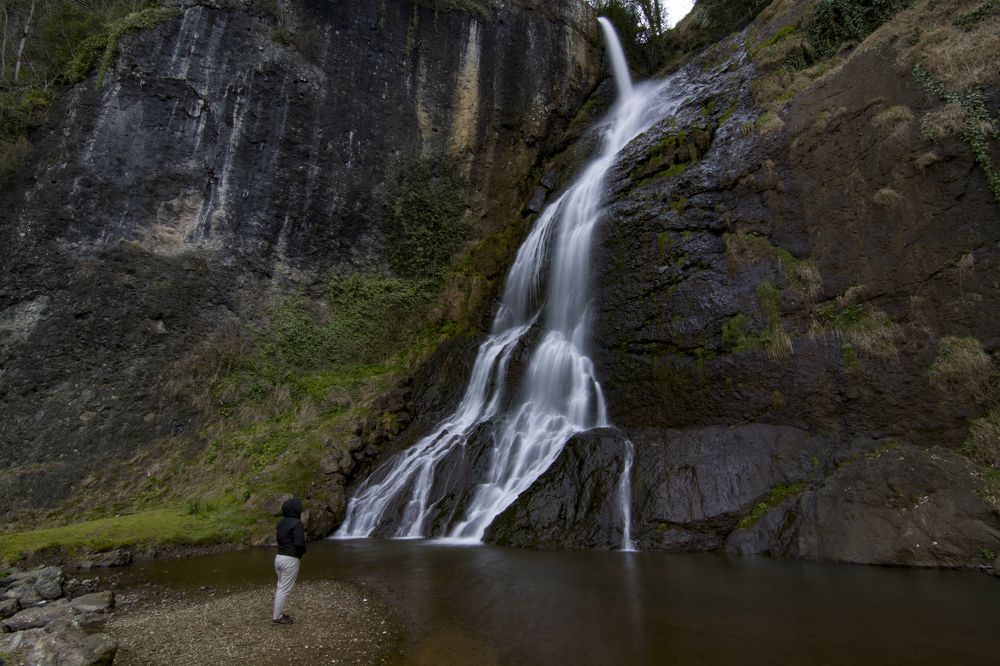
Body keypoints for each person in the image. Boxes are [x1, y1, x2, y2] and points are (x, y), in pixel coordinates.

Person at [272, 497, 306, 625]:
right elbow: (299, 544)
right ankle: (277, 617)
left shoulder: (281, 523)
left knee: (280, 587)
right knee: (284, 590)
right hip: (290, 560)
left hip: (278, 558)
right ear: (295, 509)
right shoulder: (297, 523)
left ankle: (278, 613)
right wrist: (303, 552)